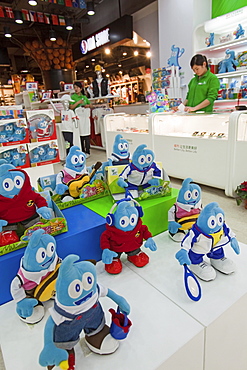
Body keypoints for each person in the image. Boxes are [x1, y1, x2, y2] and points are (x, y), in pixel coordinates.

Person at [70, 81, 92, 158]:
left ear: (81, 88)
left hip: (85, 118)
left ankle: (88, 151)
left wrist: (87, 105)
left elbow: (90, 105)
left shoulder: (84, 97)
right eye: (74, 88)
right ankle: (82, 150)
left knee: (87, 135)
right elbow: (71, 107)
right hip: (78, 119)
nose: (76, 89)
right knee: (80, 135)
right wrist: (78, 103)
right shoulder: (73, 97)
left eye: (77, 87)